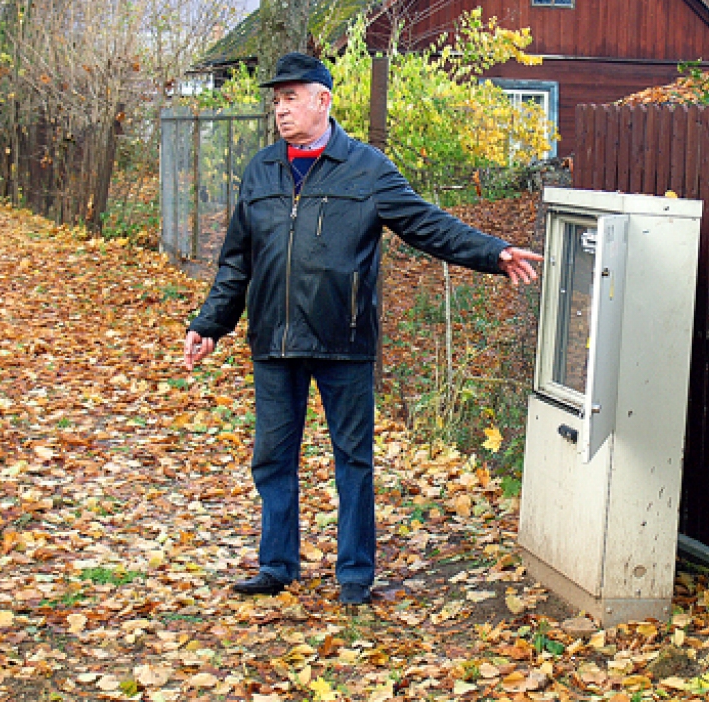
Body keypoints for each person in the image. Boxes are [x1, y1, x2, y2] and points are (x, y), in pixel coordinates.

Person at [182, 52, 542, 605]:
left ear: (322, 100)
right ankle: (277, 565)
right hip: (274, 343)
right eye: (277, 99)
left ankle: (354, 574)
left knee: (353, 459)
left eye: (292, 97)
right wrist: (210, 324)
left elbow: (427, 225)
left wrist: (492, 253)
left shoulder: (367, 168)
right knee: (273, 458)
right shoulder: (261, 170)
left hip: (342, 340)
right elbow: (238, 259)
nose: (281, 109)